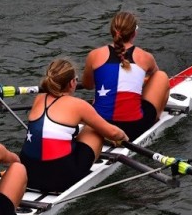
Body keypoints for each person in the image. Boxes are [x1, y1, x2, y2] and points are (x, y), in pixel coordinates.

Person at [20, 58, 128, 193]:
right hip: (61, 179)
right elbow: (113, 133)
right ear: (72, 83)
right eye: (76, 79)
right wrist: (125, 138)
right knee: (93, 128)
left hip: (28, 174)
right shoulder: (78, 105)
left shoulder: (39, 98)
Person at [82, 10, 170, 141]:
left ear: (112, 31)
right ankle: (154, 121)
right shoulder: (145, 57)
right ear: (134, 33)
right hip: (133, 128)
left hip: (101, 126)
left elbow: (88, 85)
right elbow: (154, 77)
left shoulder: (94, 55)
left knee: (97, 100)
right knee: (161, 76)